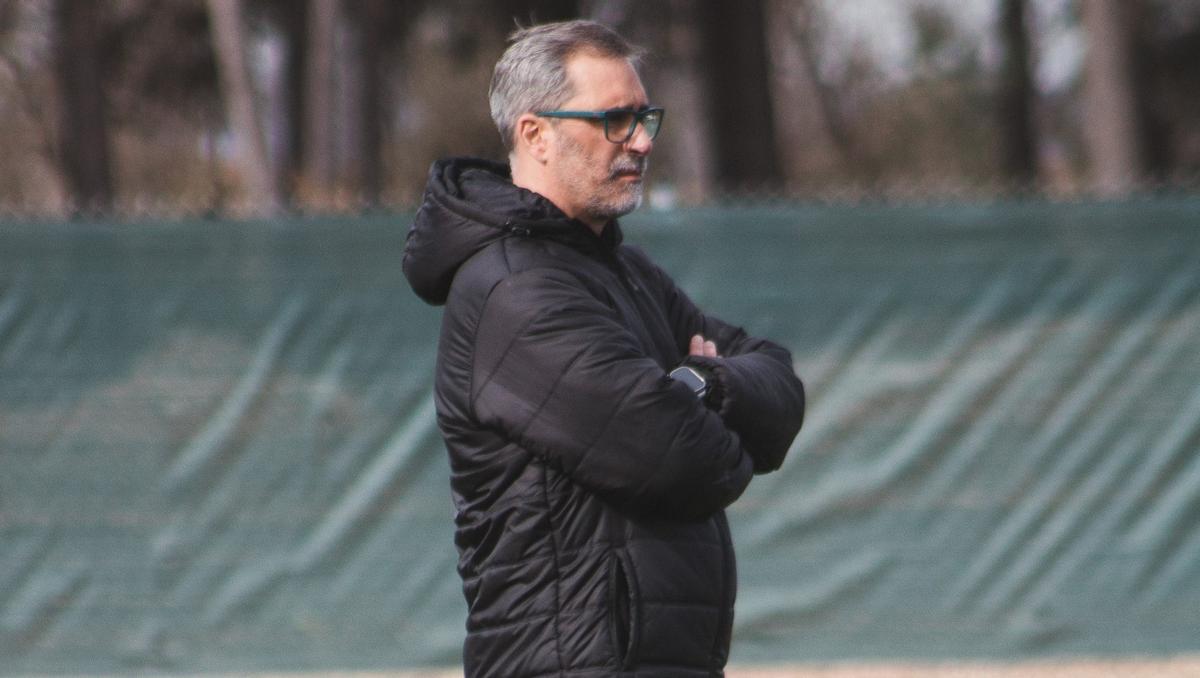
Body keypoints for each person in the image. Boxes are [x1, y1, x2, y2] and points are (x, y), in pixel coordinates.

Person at [403, 19, 805, 678]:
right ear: (535, 133)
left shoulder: (627, 272)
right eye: (615, 120)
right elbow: (683, 459)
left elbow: (780, 388)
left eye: (645, 116)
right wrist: (710, 398)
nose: (642, 141)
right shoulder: (512, 290)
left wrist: (705, 383)